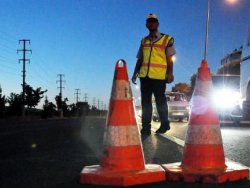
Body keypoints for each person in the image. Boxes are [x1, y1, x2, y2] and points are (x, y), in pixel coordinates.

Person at [131, 13, 176, 135]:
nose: (151, 23)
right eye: (149, 22)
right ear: (146, 25)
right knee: (146, 102)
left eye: (153, 21)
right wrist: (135, 73)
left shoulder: (167, 39)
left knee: (160, 101)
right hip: (144, 76)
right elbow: (140, 58)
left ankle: (165, 124)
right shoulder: (143, 41)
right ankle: (146, 127)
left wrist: (170, 73)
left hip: (159, 77)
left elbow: (170, 58)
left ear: (157, 24)